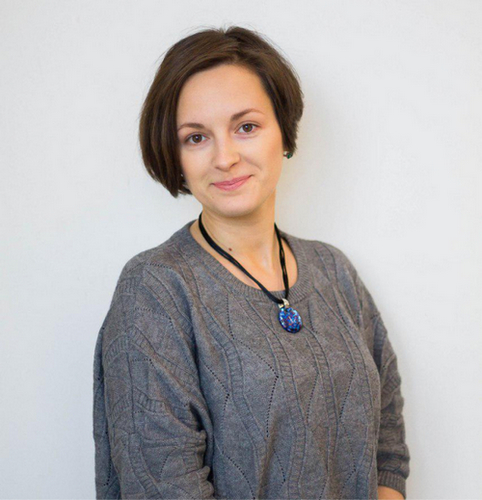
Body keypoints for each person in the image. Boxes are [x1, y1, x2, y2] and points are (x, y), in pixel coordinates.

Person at [92, 25, 410, 499]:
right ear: (175, 157)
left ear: (284, 133)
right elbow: (163, 484)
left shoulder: (334, 270)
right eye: (196, 137)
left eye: (246, 127)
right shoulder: (155, 289)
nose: (225, 157)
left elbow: (387, 444)